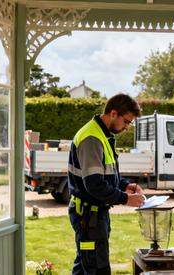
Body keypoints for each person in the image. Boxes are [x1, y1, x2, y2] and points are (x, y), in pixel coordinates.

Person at [68, 94, 146, 274]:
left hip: (93, 215)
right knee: (96, 268)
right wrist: (126, 199)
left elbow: (106, 174)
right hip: (88, 217)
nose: (127, 127)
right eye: (126, 122)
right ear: (113, 113)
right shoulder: (92, 138)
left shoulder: (102, 134)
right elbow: (95, 185)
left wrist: (124, 185)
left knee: (85, 266)